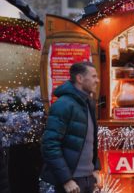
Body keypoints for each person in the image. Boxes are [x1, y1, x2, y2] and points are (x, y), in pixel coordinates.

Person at [41, 62, 101, 193]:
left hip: (87, 179)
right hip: (71, 182)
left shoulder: (88, 103)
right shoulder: (63, 104)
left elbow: (89, 140)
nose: (97, 80)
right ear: (79, 79)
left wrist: (95, 168)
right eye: (94, 76)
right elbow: (50, 145)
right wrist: (66, 180)